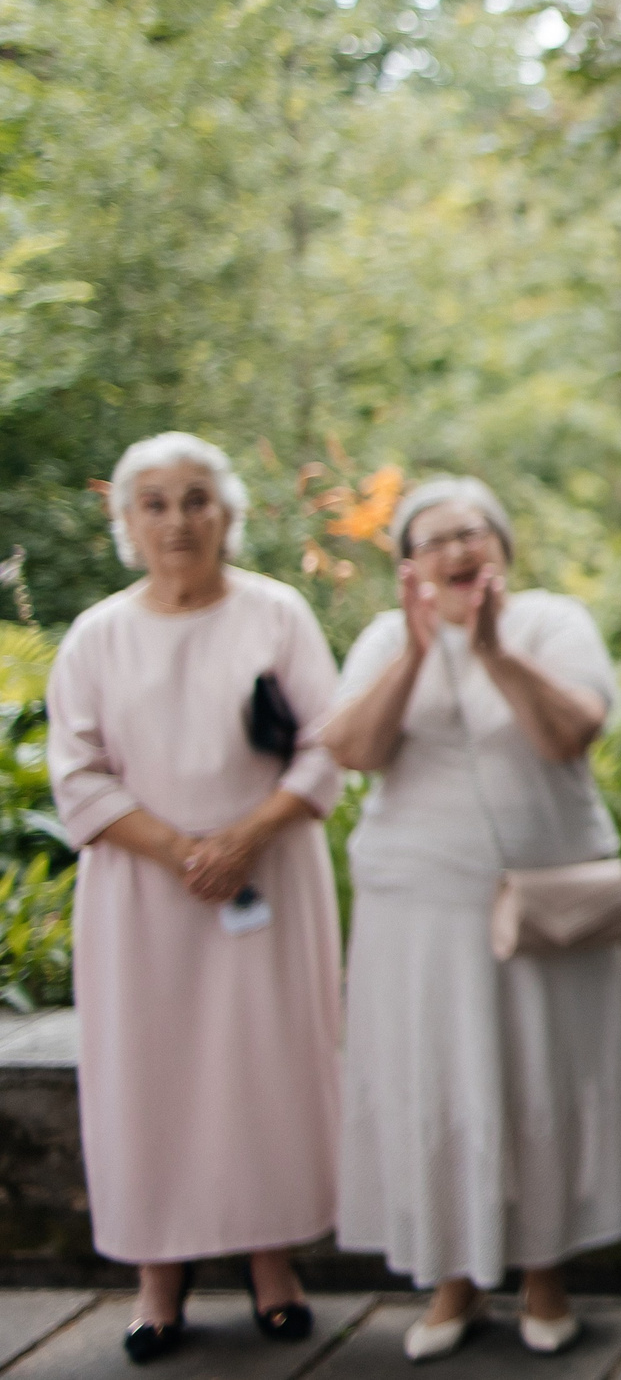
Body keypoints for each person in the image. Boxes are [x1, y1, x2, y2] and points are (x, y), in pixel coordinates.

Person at [322, 477, 621, 1361]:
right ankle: (450, 1279)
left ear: (501, 547)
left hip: (542, 902)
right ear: (409, 569)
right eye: (433, 540)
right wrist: (420, 653)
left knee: (538, 1075)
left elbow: (570, 732)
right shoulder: (389, 638)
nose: (457, 549)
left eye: (472, 532)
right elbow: (351, 750)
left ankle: (545, 1273)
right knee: (438, 1078)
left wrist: (493, 649)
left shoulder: (551, 622)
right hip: (415, 908)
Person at [45, 434, 344, 1364]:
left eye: (196, 500)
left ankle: (273, 1265)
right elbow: (79, 775)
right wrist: (183, 851)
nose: (179, 520)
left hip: (266, 875)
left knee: (263, 1066)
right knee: (149, 1076)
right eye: (157, 503)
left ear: (227, 512)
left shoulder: (276, 613)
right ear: (128, 523)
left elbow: (330, 743)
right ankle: (157, 1281)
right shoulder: (98, 634)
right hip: (144, 894)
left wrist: (244, 838)